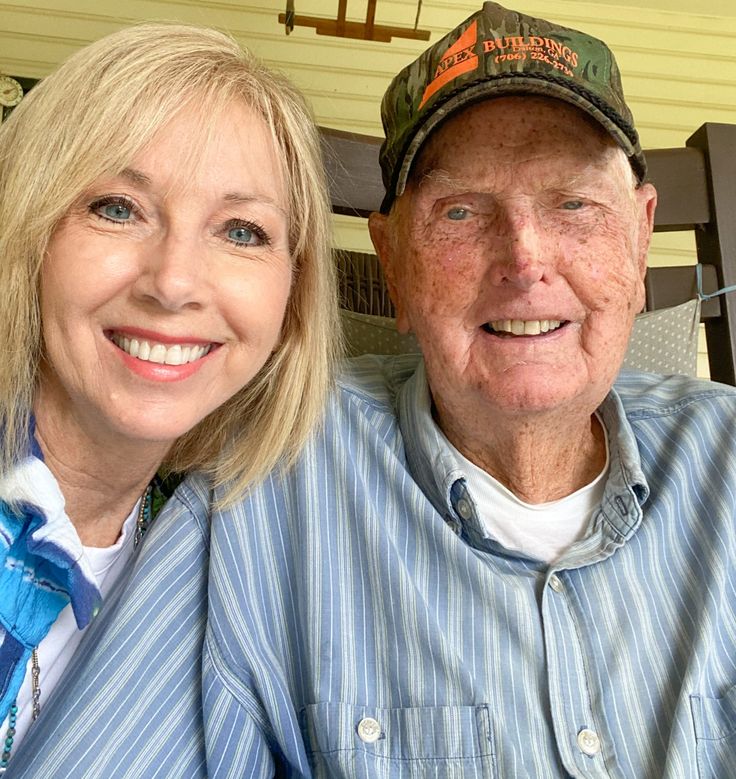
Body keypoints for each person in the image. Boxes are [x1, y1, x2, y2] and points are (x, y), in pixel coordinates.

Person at [10, 3, 736, 778]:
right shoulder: (264, 486)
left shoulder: (724, 458)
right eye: (461, 210)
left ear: (638, 233)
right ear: (391, 265)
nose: (525, 260)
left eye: (574, 205)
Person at [0, 21, 338, 772]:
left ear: (293, 298)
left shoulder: (223, 552)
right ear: (28, 235)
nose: (174, 281)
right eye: (118, 207)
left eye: (242, 231)